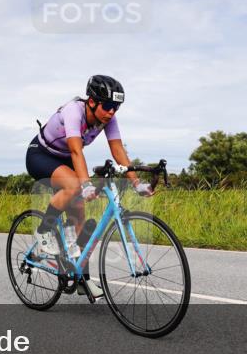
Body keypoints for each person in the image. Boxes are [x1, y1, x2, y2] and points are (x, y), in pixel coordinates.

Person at [25, 75, 153, 297]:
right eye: (109, 106)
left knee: (79, 217)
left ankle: (81, 277)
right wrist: (84, 185)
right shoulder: (74, 111)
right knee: (74, 187)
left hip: (65, 159)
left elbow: (118, 151)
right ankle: (43, 232)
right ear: (92, 102)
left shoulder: (109, 120)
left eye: (117, 107)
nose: (112, 112)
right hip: (41, 155)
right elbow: (76, 151)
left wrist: (136, 183)